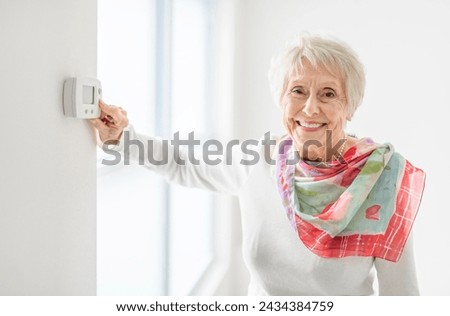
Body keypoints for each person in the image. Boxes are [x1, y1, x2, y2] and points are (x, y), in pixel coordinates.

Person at [90, 34, 425, 295]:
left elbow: (402, 294)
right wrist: (122, 137)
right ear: (281, 99)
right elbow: (181, 163)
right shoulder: (257, 163)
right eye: (297, 91)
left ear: (350, 106)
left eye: (327, 94)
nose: (309, 109)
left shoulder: (383, 180)